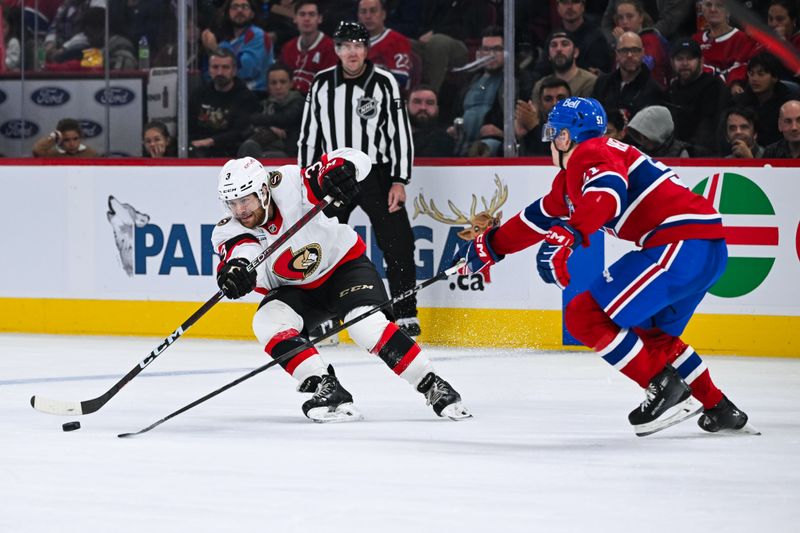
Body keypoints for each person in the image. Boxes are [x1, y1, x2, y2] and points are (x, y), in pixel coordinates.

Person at [454, 96, 753, 437]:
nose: (551, 142)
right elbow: (537, 218)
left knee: (584, 315)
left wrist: (569, 235)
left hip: (679, 244)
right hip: (705, 250)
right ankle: (718, 407)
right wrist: (488, 247)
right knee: (654, 336)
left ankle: (663, 386)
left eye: (554, 133)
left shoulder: (591, 152)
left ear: (567, 137)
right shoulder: (581, 171)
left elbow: (608, 194)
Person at [211, 149, 471, 422]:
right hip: (296, 291)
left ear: (263, 191)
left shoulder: (287, 183)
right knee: (266, 321)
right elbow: (243, 253)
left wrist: (344, 168)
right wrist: (237, 273)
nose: (240, 210)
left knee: (364, 325)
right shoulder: (228, 229)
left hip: (343, 268)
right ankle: (327, 386)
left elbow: (354, 158)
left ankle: (432, 384)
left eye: (245, 199)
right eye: (232, 202)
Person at [298, 21, 419, 336]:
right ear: (336, 50)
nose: (352, 51)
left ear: (367, 49)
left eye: (358, 45)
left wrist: (399, 180)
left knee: (398, 243)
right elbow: (309, 137)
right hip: (332, 175)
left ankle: (405, 312)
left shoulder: (384, 82)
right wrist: (305, 182)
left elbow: (399, 134)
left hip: (375, 174)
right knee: (320, 245)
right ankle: (321, 316)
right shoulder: (321, 84)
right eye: (346, 45)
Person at [188, 48, 261, 158]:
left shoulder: (246, 97)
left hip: (233, 154)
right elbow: (189, 126)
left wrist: (210, 141)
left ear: (234, 70)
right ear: (209, 69)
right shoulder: (199, 94)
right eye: (215, 67)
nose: (220, 72)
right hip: (198, 151)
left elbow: (240, 132)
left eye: (225, 67)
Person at [667, 38, 728, 156]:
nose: (685, 63)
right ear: (672, 62)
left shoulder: (713, 86)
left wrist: (688, 150)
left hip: (705, 156)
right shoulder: (672, 89)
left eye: (690, 58)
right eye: (680, 59)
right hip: (676, 154)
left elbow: (710, 128)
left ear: (701, 61)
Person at [201, 0, 274, 94]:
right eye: (234, 7)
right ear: (227, 13)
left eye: (245, 7)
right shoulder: (225, 43)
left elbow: (247, 70)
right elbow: (209, 75)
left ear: (252, 14)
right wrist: (209, 50)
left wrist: (216, 49)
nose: (239, 10)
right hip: (228, 94)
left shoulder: (258, 35)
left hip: (254, 95)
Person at [591, 31, 666, 118]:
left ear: (643, 53)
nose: (630, 55)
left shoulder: (655, 90)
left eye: (635, 50)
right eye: (625, 50)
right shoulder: (602, 83)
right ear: (617, 54)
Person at [239, 62, 305, 158]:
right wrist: (269, 128)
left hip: (289, 155)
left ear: (291, 83)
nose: (278, 87)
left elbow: (285, 119)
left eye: (282, 82)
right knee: (248, 146)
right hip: (262, 149)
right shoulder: (264, 104)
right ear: (268, 86)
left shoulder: (300, 102)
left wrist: (263, 122)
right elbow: (247, 123)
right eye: (273, 83)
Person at [692, 0, 758, 91]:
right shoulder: (695, 40)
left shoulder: (742, 39)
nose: (713, 9)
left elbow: (741, 67)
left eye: (719, 5)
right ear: (701, 8)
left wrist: (734, 83)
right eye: (708, 5)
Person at [732, 52, 793, 147]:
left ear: (774, 77)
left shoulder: (787, 104)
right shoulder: (740, 101)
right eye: (751, 74)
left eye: (761, 74)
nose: (754, 79)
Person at [607, 0, 671, 88]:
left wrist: (624, 43)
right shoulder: (617, 43)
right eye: (620, 18)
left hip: (650, 93)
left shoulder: (651, 39)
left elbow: (641, 69)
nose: (625, 22)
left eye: (630, 16)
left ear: (641, 17)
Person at [279, 0, 337, 95]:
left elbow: (330, 85)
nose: (306, 19)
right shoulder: (288, 47)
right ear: (295, 18)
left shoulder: (330, 47)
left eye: (311, 14)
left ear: (319, 18)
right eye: (302, 14)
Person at [358, 0, 412, 89]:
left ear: (383, 14)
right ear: (358, 16)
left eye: (373, 11)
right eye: (363, 12)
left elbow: (400, 79)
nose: (368, 16)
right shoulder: (349, 43)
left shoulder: (398, 41)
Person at [530, 30, 597, 100]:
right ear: (548, 55)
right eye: (554, 45)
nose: (558, 49)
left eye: (565, 44)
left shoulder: (590, 82)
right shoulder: (540, 86)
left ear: (575, 52)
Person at [515, 77, 572, 156]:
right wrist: (520, 137)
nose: (554, 103)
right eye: (548, 99)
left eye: (561, 98)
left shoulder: (580, 130)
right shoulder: (533, 129)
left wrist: (534, 127)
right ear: (540, 104)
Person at [553, 0, 612, 75]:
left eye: (575, 1)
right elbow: (540, 70)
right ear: (558, 7)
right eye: (564, 2)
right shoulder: (553, 37)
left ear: (583, 6)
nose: (569, 7)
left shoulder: (597, 39)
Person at [626, 104, 693, 157]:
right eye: (639, 135)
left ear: (660, 131)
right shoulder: (638, 154)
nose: (642, 140)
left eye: (646, 136)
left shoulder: (680, 152)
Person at [407, 85, 455, 157]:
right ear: (406, 106)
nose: (423, 107)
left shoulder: (443, 141)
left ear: (437, 109)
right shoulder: (390, 136)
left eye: (430, 103)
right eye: (417, 102)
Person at [32, 118, 98, 158]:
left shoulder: (91, 154)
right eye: (66, 140)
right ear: (60, 140)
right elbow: (37, 151)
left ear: (80, 137)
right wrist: (54, 137)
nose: (72, 144)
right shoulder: (53, 154)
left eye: (75, 139)